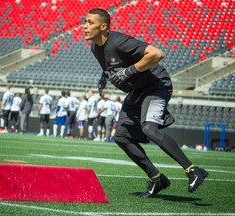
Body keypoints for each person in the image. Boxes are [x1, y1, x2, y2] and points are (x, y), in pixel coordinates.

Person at [84, 8, 208, 198]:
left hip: (156, 85)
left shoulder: (119, 41)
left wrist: (130, 71)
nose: (84, 26)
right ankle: (157, 178)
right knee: (122, 137)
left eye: (89, 22)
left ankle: (192, 170)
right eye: (84, 21)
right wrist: (104, 76)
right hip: (137, 90)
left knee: (149, 128)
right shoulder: (94, 47)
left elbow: (157, 54)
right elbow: (111, 65)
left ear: (103, 27)